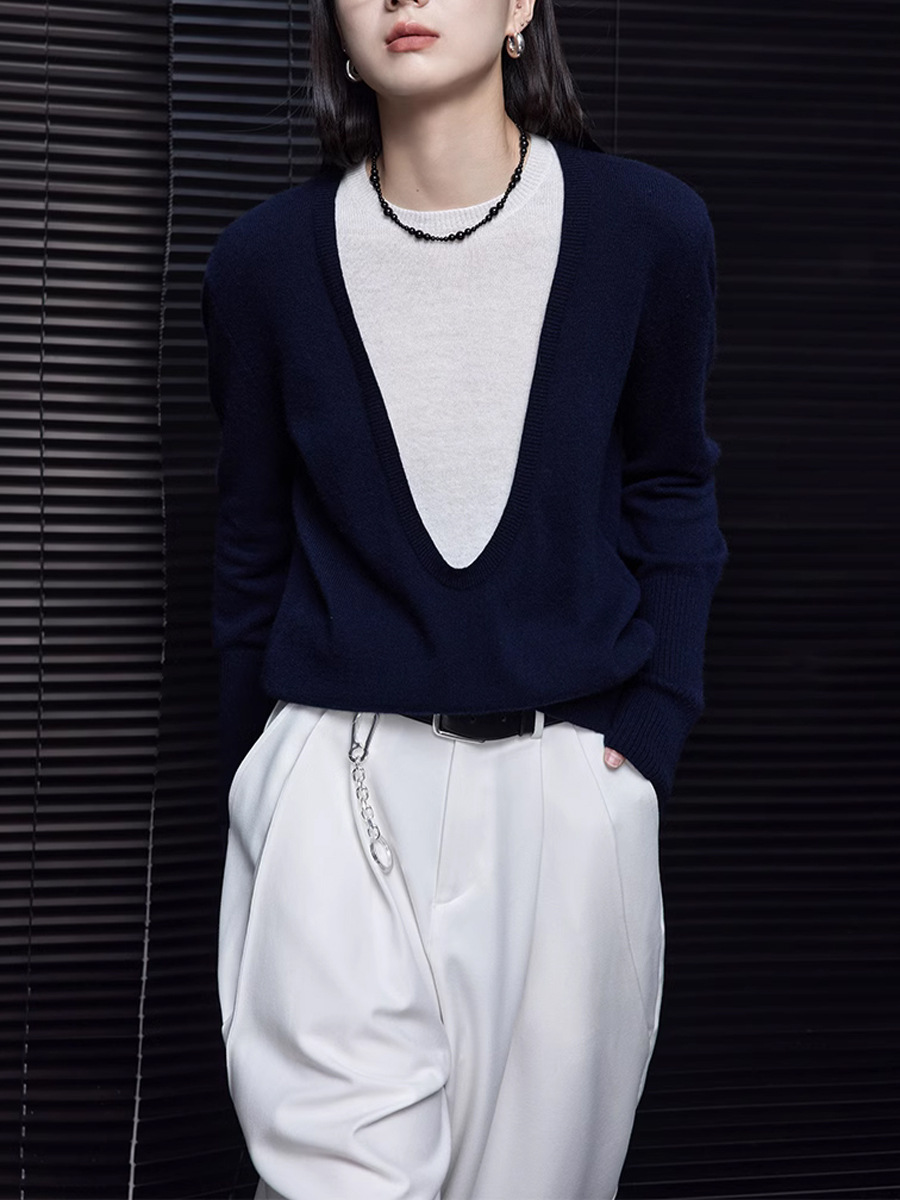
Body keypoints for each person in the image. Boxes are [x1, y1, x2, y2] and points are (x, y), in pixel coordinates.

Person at [201, 0, 729, 1196]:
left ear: (521, 6)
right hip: (332, 787)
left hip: (563, 792)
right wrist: (255, 776)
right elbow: (248, 544)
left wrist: (652, 728)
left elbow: (672, 485)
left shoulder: (647, 230)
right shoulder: (263, 263)